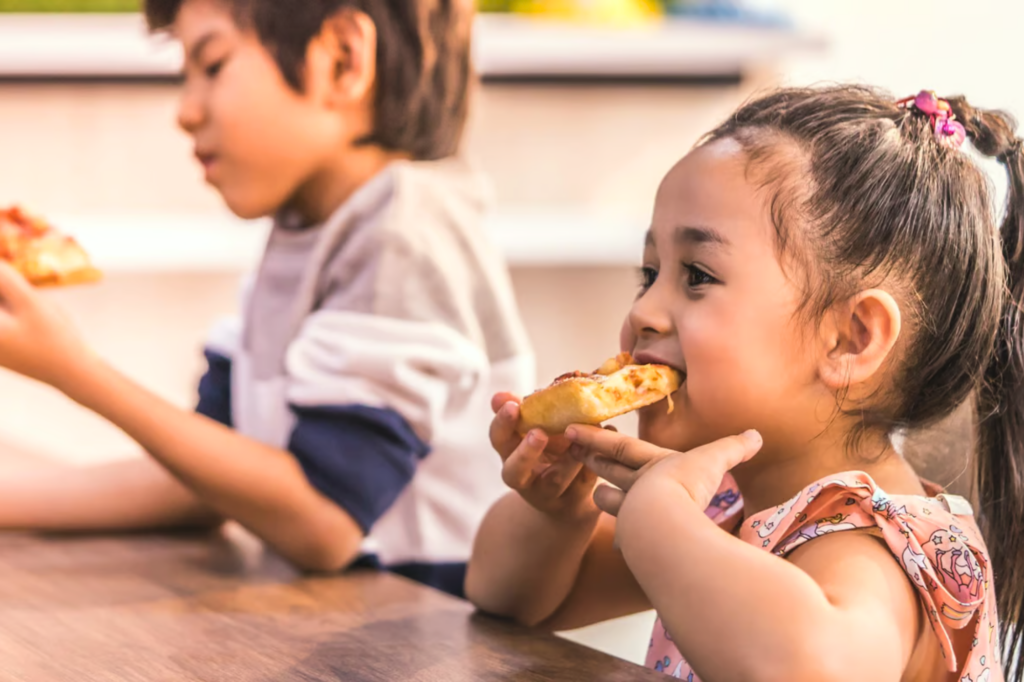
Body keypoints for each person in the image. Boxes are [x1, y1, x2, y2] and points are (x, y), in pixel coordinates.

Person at [466, 85, 1022, 680]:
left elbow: (813, 669)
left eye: (698, 275)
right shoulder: (723, 506)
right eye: (649, 273)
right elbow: (512, 600)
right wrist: (558, 514)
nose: (644, 312)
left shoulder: (877, 546)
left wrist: (660, 523)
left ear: (850, 340)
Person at [0, 0, 533, 598]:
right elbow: (200, 479)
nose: (185, 110)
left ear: (341, 60)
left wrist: (72, 370)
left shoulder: (405, 233)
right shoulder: (310, 226)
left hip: (422, 635)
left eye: (213, 64)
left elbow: (325, 522)